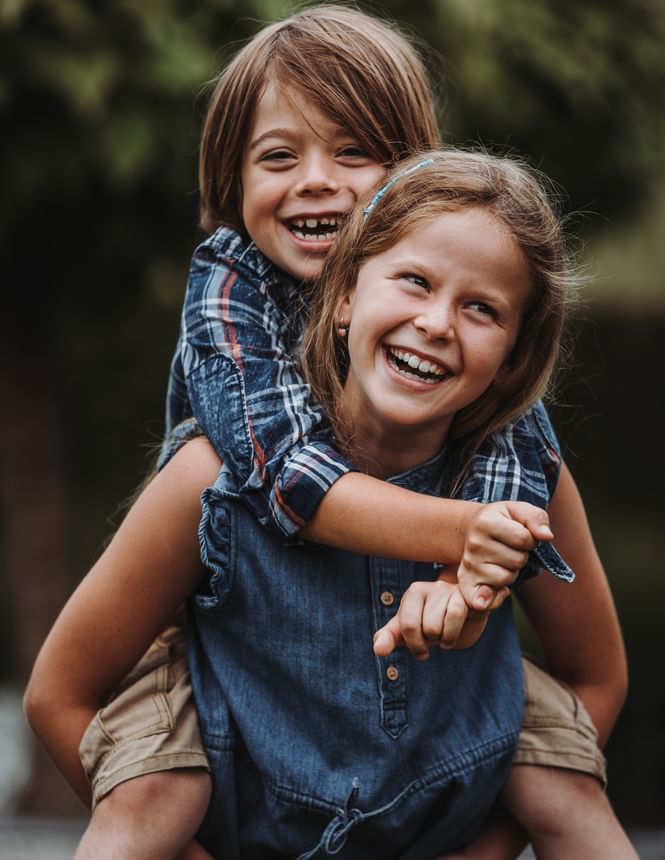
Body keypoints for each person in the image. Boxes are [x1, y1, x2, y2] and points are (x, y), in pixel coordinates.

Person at [25, 150, 636, 859]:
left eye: (482, 309)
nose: (437, 322)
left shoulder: (525, 486)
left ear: (511, 360)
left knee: (566, 783)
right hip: (240, 815)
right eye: (414, 281)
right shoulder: (210, 480)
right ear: (343, 298)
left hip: (442, 804)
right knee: (148, 795)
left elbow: (597, 679)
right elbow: (57, 696)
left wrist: (486, 852)